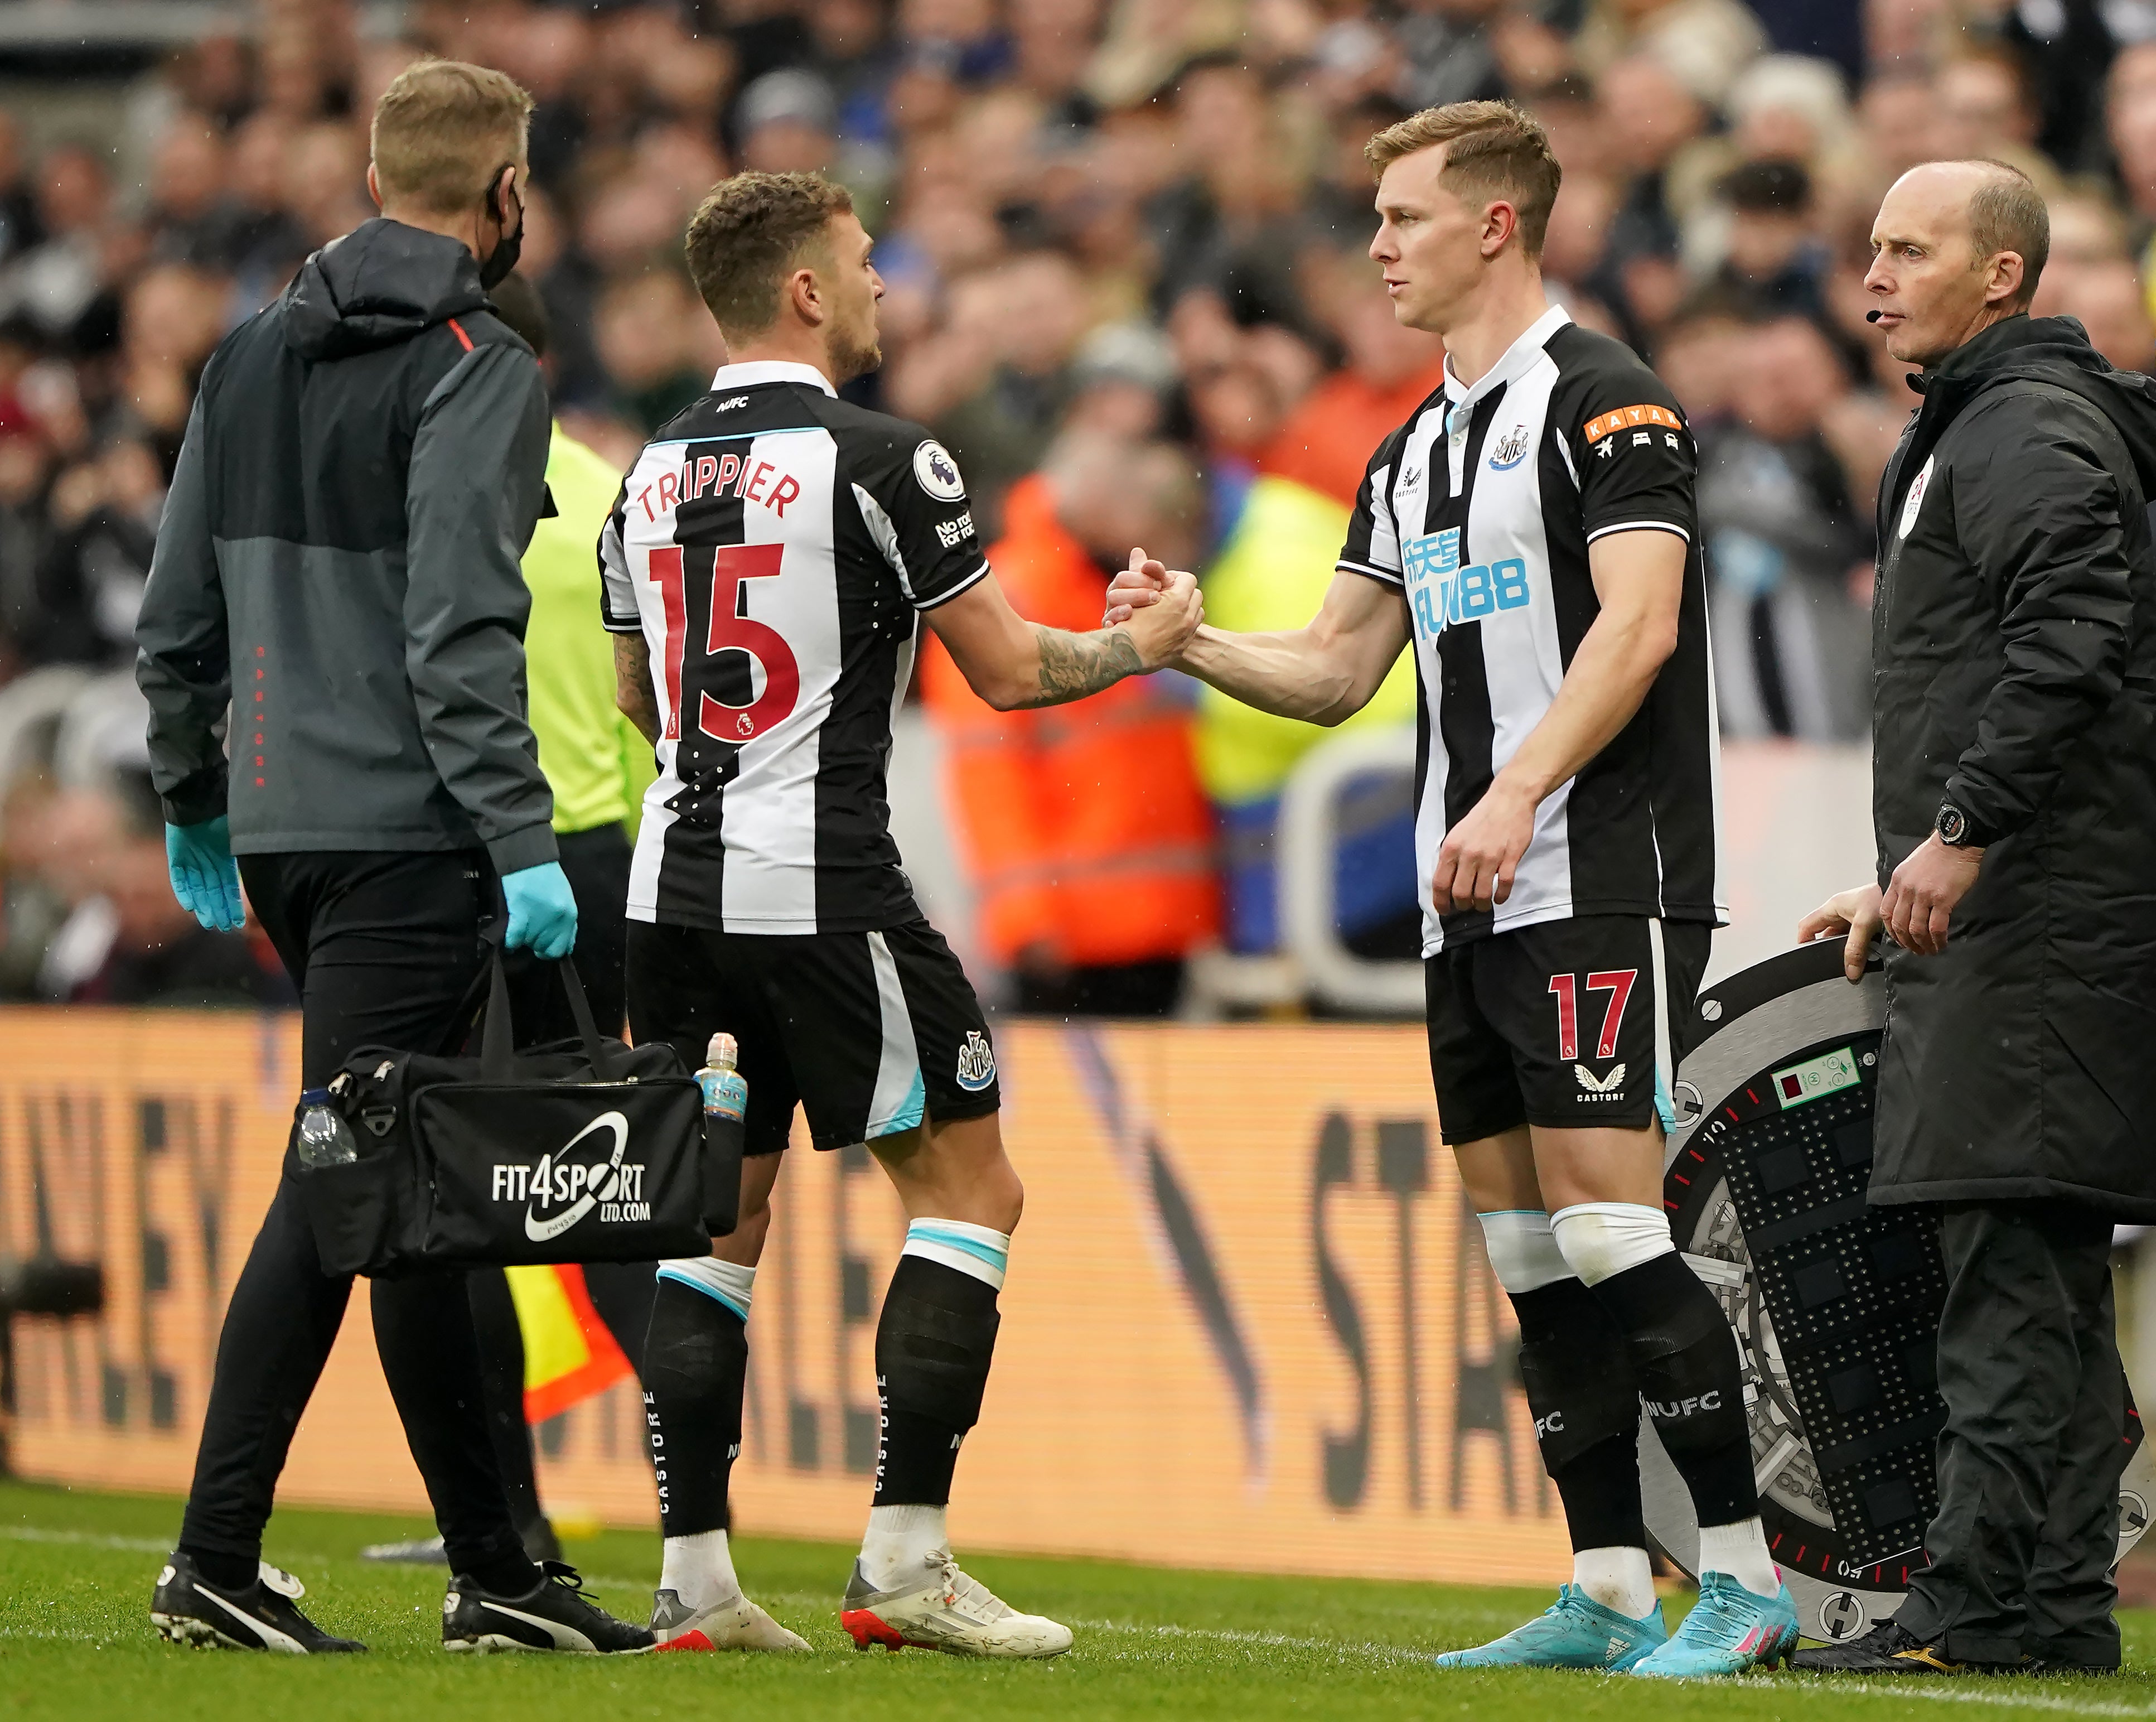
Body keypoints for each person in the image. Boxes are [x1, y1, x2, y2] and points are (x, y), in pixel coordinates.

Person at [1110, 100, 1791, 1677]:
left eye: (1404, 216)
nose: (1376, 245)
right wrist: (1194, 640)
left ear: (1494, 223)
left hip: (1595, 869)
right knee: (1527, 1252)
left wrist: (1514, 784)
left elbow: (1639, 626)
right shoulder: (1409, 447)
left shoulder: (1607, 405)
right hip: (1465, 895)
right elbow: (1342, 667)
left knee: (1614, 1220)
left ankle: (1745, 1580)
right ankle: (1610, 1576)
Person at [599, 168, 1202, 1656]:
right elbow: (1005, 672)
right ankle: (903, 1555)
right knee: (969, 1194)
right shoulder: (885, 459)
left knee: (713, 1224)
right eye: (863, 266)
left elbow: (639, 696)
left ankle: (695, 1578)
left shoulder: (646, 467)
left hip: (668, 894)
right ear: (805, 289)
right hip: (824, 886)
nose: (881, 290)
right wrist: (1138, 645)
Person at [134, 59, 649, 1655]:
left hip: (288, 825)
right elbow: (455, 626)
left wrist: (193, 791)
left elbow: (174, 615)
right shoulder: (476, 363)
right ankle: (215, 1551)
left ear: (372, 178)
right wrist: (519, 834)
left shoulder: (246, 353)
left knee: (411, 1185)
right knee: (348, 1171)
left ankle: (500, 1563)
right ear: (506, 196)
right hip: (415, 839)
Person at [1795, 159, 2156, 1677]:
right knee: (2049, 1272)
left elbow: (2072, 637)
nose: (1872, 274)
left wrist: (1957, 835)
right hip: (2034, 912)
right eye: (1870, 247)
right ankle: (2057, 1606)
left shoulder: (2020, 426)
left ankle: (1967, 1606)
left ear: (2000, 275)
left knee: (2003, 1269)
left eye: (1909, 248)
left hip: (2037, 926)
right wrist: (1909, 867)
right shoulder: (1982, 421)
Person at [358, 271, 660, 1573]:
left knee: (466, 1201)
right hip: (608, 861)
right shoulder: (616, 491)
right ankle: (695, 1499)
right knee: (606, 1190)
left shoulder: (457, 495)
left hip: (490, 862)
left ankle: (505, 1519)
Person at [919, 432, 1220, 1016]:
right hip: (1075, 938)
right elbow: (990, 773)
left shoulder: (1103, 582)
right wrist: (1026, 920)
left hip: (1153, 924)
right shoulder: (1012, 596)